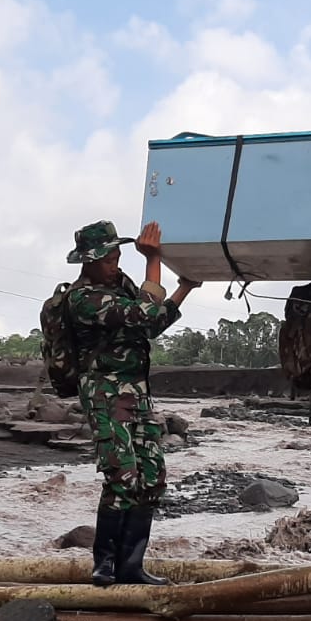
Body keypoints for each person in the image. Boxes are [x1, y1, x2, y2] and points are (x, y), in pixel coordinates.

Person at [67, 220, 199, 586]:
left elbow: (151, 325)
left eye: (117, 257)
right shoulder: (83, 299)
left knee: (152, 477)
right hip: (105, 393)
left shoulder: (122, 286)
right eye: (108, 260)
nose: (115, 264)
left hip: (137, 393)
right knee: (122, 476)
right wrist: (153, 260)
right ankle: (104, 565)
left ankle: (131, 566)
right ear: (89, 261)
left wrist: (184, 288)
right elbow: (143, 313)